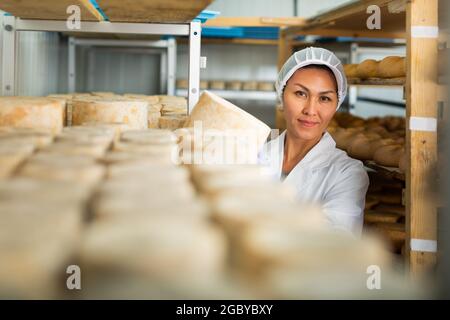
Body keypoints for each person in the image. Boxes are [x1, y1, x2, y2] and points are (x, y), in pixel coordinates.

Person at [258, 47, 369, 237]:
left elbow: (333, 244)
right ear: (282, 95)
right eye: (301, 94)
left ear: (336, 105)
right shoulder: (251, 156)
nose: (311, 110)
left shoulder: (347, 174)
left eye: (324, 98)